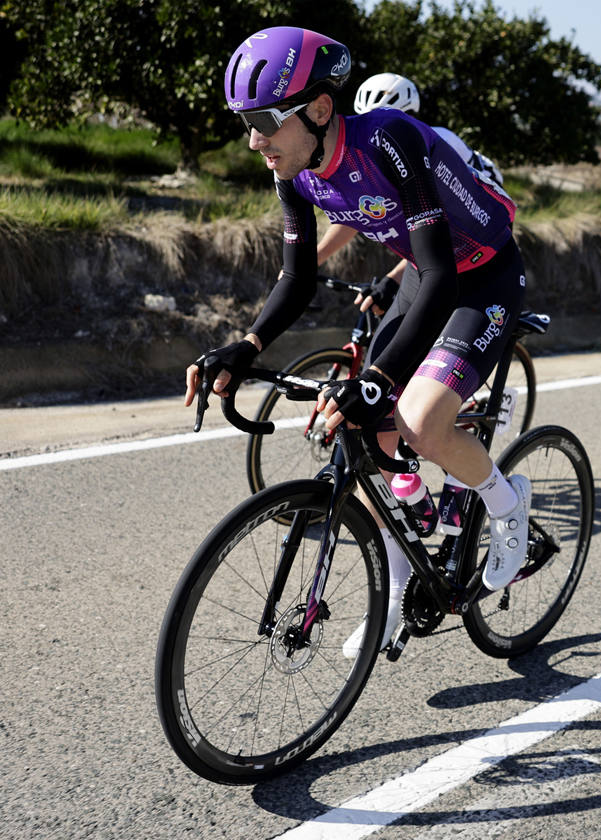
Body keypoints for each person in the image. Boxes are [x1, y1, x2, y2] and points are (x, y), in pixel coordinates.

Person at [185, 27, 532, 655]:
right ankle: (398, 583)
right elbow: (298, 276)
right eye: (245, 122)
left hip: (480, 275)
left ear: (320, 110)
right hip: (426, 277)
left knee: (420, 422)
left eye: (264, 119)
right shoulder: (293, 168)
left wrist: (379, 380)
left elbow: (441, 271)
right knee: (360, 430)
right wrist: (247, 345)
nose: (253, 140)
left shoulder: (388, 140)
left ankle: (506, 508)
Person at [319, 72, 506, 318]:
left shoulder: (438, 141)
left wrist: (393, 278)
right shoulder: (365, 155)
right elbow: (358, 214)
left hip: (482, 221)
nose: (374, 135)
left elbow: (442, 228)